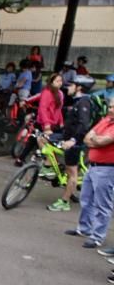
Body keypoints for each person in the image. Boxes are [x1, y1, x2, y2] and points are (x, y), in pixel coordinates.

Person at [66, 104, 114, 253]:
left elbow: (103, 141)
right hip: (93, 166)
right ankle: (84, 228)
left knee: (102, 204)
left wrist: (95, 140)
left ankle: (97, 236)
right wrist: (95, 140)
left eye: (113, 107)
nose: (110, 109)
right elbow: (88, 137)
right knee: (86, 198)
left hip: (107, 168)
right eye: (110, 106)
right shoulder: (106, 120)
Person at [47, 75, 94, 212]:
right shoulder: (77, 101)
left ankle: (64, 202)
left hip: (75, 142)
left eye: (72, 85)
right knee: (42, 138)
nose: (68, 87)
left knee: (72, 172)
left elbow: (83, 125)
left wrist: (73, 141)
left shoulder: (84, 102)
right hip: (67, 136)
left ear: (79, 87)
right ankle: (50, 167)